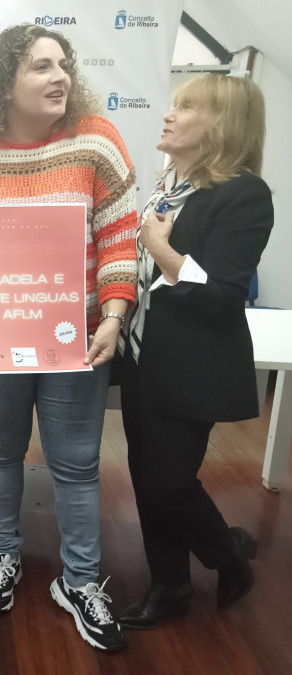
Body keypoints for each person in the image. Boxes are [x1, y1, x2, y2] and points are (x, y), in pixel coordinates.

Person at [0, 24, 137, 652]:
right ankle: (5, 557)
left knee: (75, 463)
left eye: (64, 64)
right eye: (41, 66)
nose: (60, 76)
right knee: (0, 450)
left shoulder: (97, 141)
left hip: (79, 333)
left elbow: (119, 236)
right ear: (4, 82)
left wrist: (114, 317)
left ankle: (78, 582)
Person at [117, 74, 273, 629]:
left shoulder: (244, 194)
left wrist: (161, 250)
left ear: (221, 126)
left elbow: (225, 297)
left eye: (185, 107)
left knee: (169, 482)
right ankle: (170, 586)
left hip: (192, 369)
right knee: (146, 476)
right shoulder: (169, 186)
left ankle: (229, 558)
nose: (169, 114)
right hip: (143, 361)